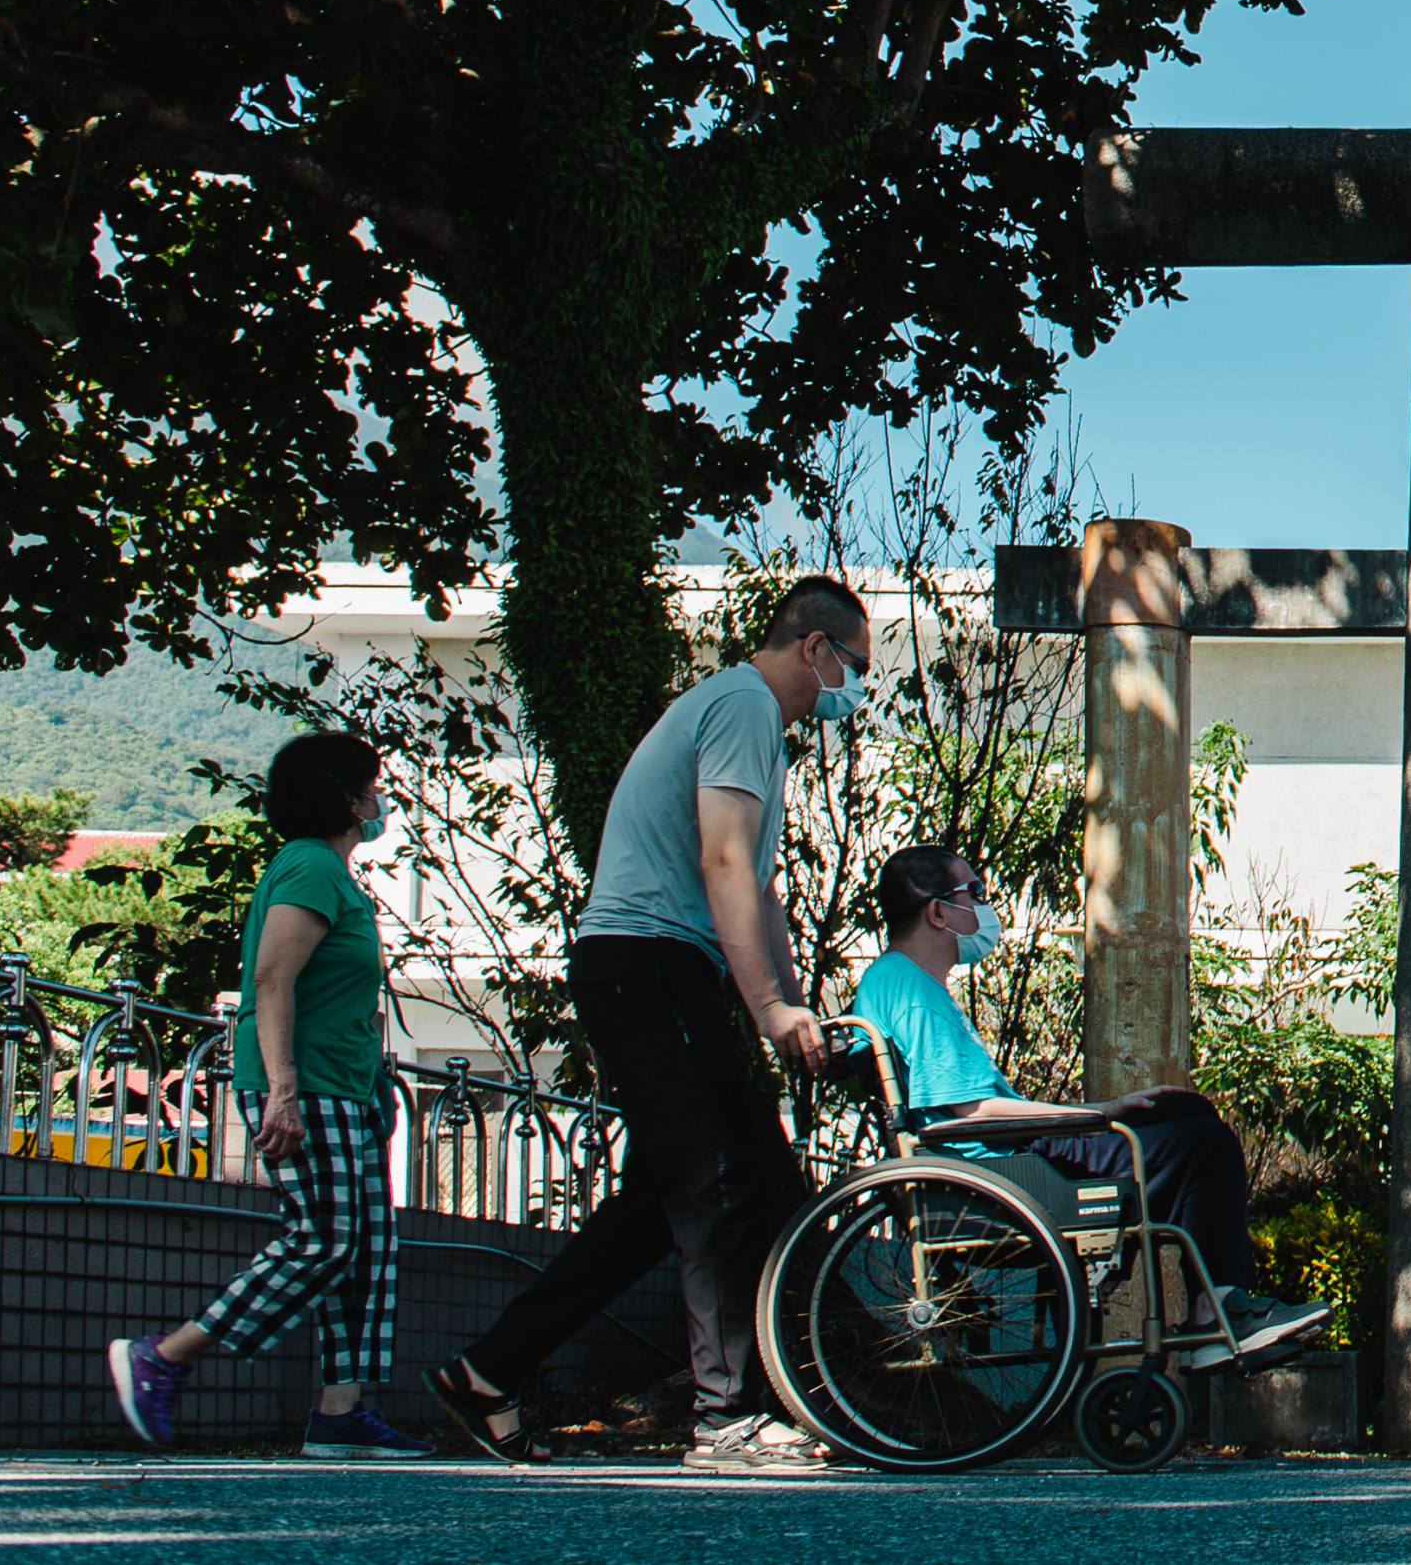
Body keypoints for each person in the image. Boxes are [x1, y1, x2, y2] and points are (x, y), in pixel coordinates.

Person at [425, 581, 874, 1470]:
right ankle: (726, 1421)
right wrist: (771, 1009)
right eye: (854, 667)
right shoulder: (746, 704)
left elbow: (759, 891)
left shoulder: (745, 718)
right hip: (647, 961)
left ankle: (485, 1372)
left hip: (665, 967)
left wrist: (788, 1005)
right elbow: (721, 860)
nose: (854, 687)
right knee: (717, 1183)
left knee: (658, 1205)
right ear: (816, 648)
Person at [845, 843, 1330, 1369]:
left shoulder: (896, 982)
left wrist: (1107, 1108)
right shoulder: (913, 990)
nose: (985, 909)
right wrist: (1100, 1113)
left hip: (998, 1158)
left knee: (1183, 1115)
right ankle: (1215, 1317)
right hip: (998, 1169)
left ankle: (1217, 1309)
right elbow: (970, 1113)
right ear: (938, 911)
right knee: (1205, 1145)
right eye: (975, 894)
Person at [106, 733, 429, 1458]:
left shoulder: (336, 876)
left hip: (341, 1087)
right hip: (301, 1086)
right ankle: (164, 1356)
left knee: (369, 1249)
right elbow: (271, 980)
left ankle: (341, 1412)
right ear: (346, 797)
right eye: (371, 785)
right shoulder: (309, 866)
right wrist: (282, 1092)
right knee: (325, 1239)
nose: (380, 798)